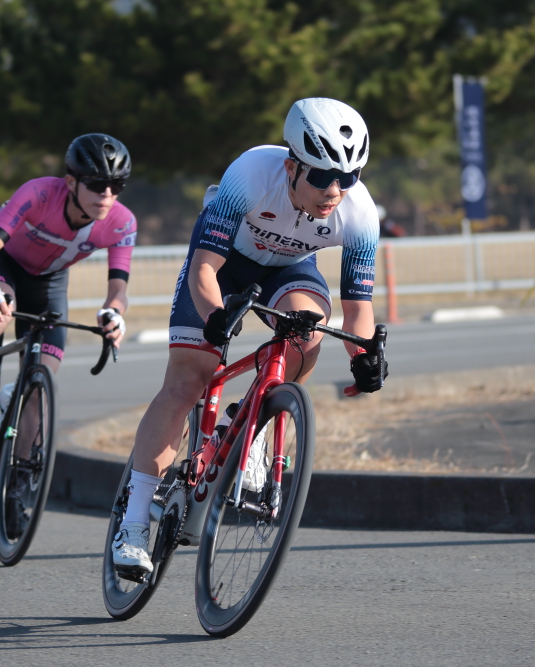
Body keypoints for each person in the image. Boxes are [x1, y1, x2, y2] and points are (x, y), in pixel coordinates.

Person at [110, 98, 388, 579]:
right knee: (188, 381)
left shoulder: (359, 214)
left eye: (349, 177)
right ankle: (132, 523)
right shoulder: (251, 175)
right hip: (223, 265)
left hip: (289, 270)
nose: (335, 191)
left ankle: (248, 425)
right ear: (292, 167)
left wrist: (363, 355)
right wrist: (215, 318)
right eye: (323, 176)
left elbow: (357, 310)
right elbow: (204, 268)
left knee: (308, 331)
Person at [0, 133, 136, 535]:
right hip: (3, 267)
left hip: (49, 283)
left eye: (116, 186)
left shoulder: (121, 222)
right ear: (71, 182)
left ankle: (19, 483)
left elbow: (118, 289)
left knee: (41, 378)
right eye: (97, 184)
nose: (107, 194)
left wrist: (113, 314)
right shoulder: (38, 194)